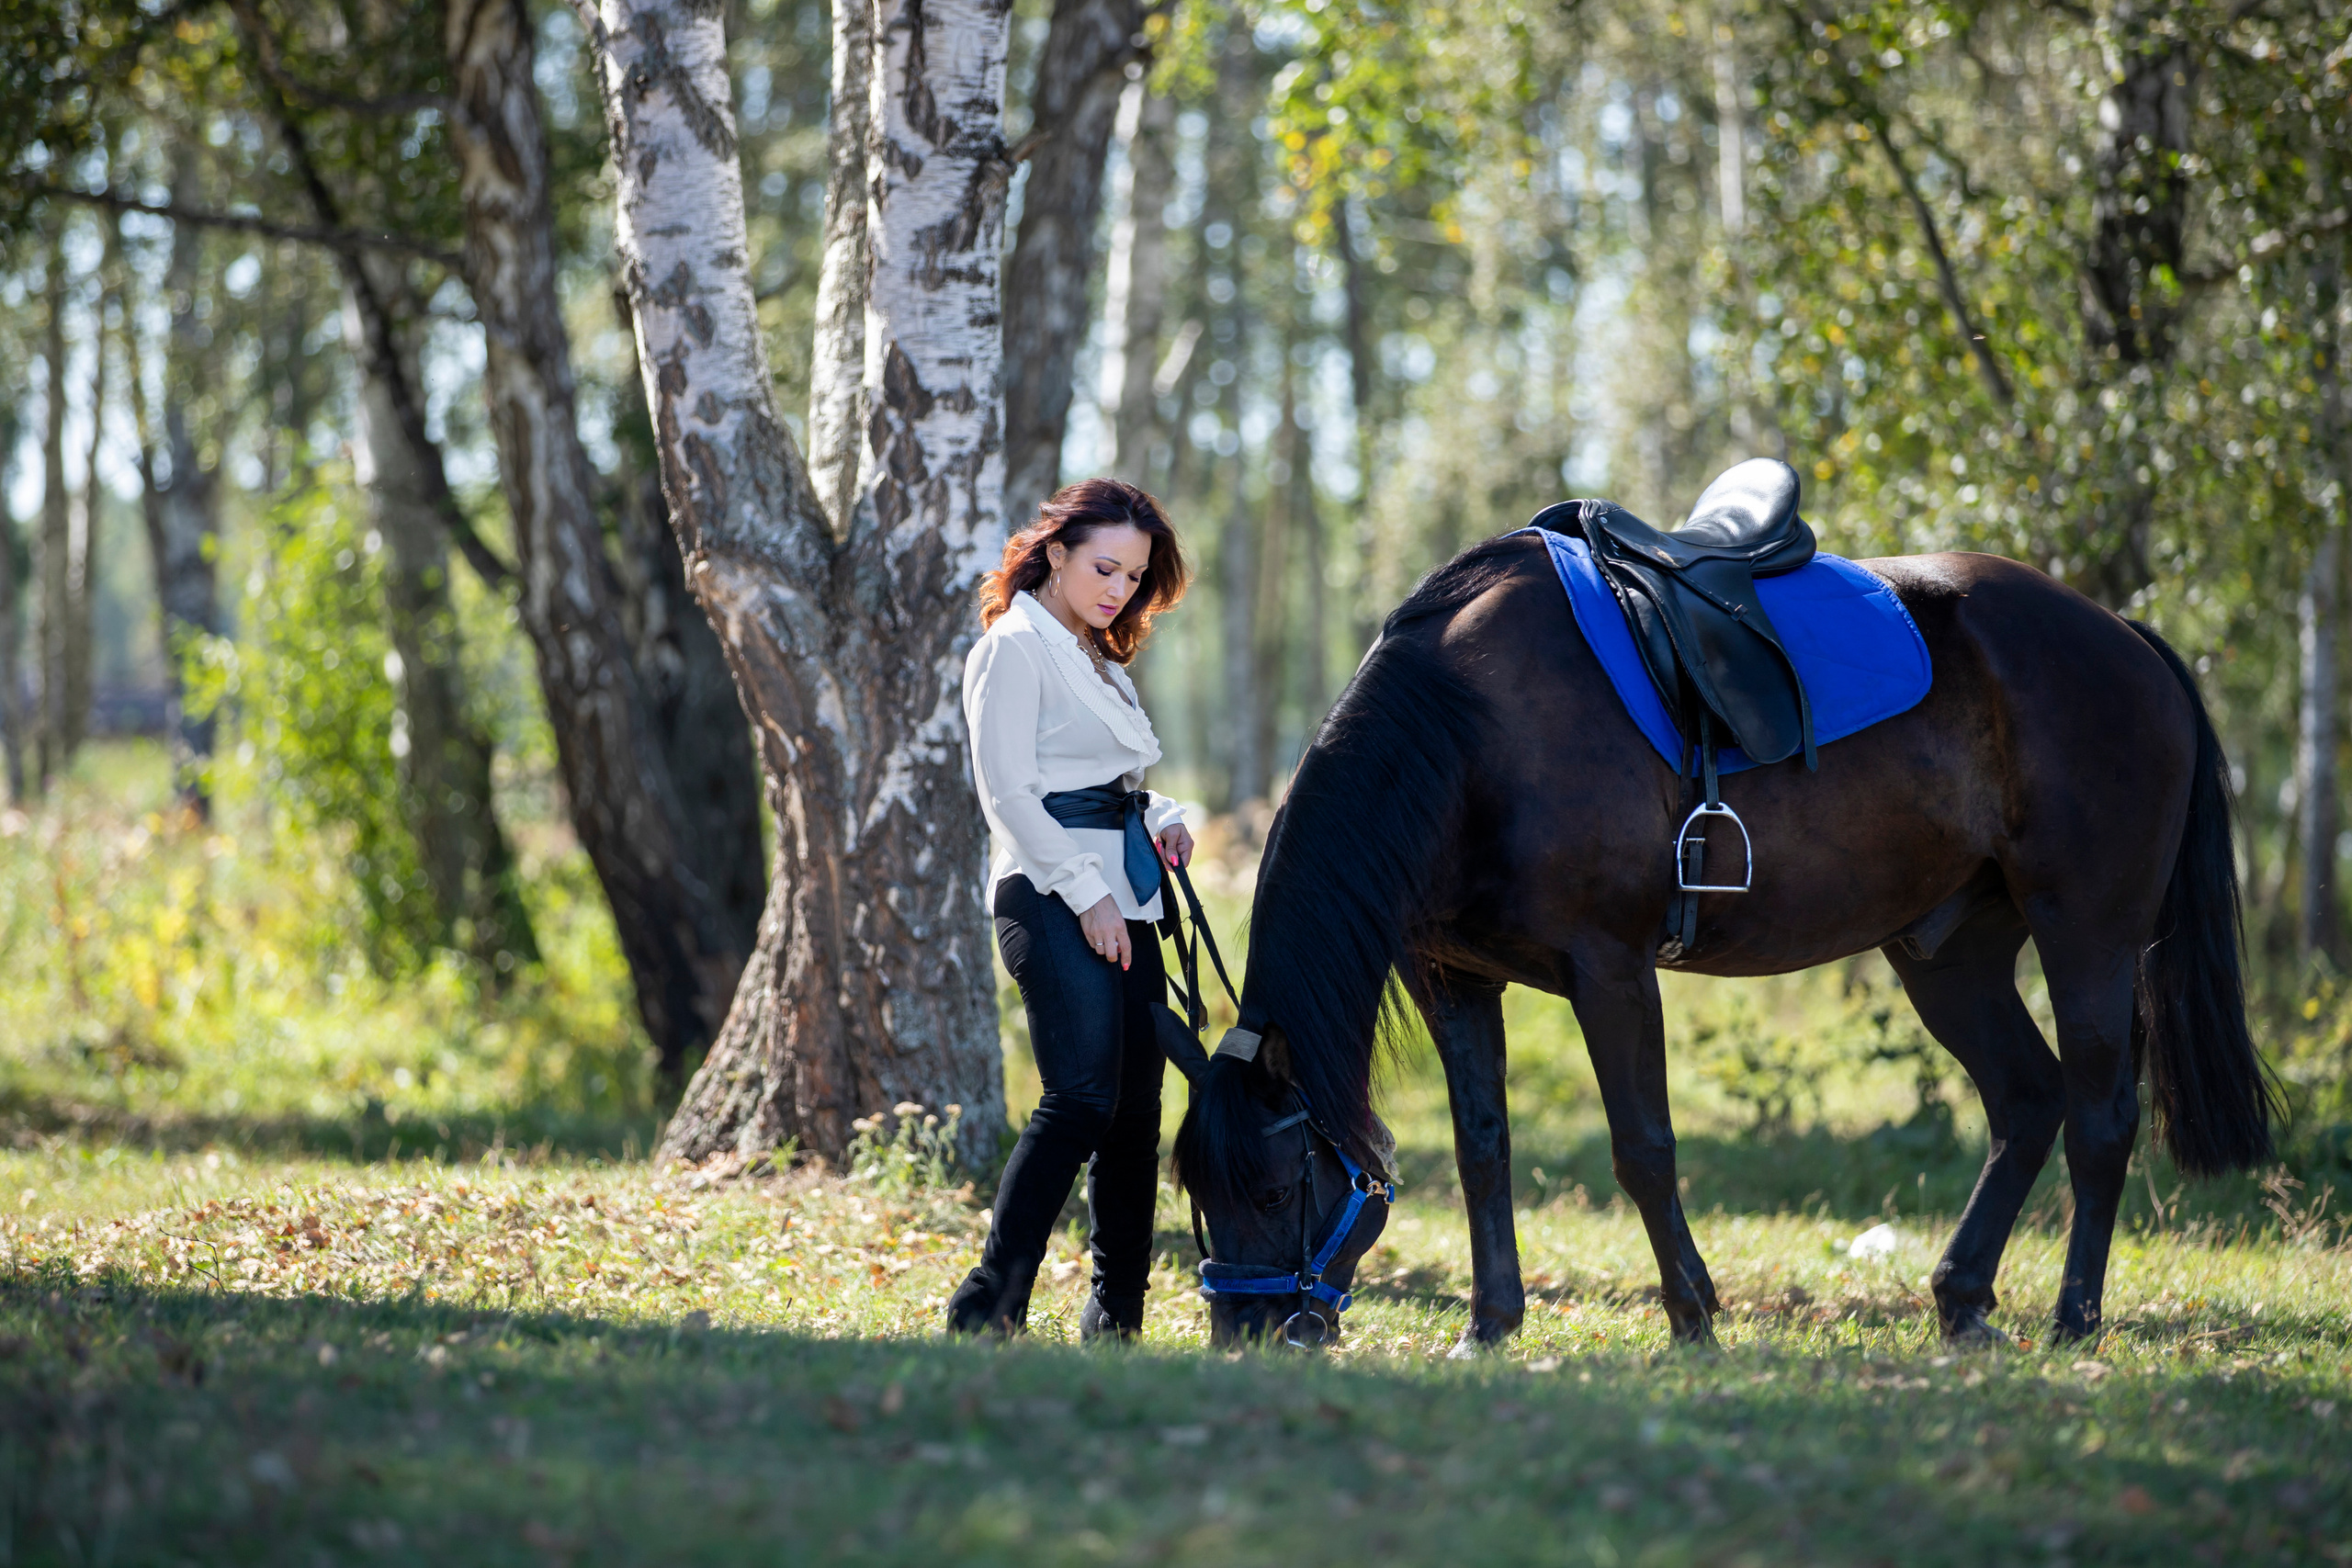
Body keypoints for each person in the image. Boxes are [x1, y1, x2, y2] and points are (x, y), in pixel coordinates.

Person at [948, 478, 1194, 1341]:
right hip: (1048, 893)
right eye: (1104, 567)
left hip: (1125, 891)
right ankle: (989, 1306)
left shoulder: (1097, 658)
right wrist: (1087, 894)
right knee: (1083, 1098)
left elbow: (1108, 784)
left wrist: (1161, 818)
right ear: (1054, 551)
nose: (1117, 589)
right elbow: (1009, 793)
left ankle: (1116, 1318)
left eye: (1132, 576)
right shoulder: (1014, 647)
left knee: (1135, 1113)